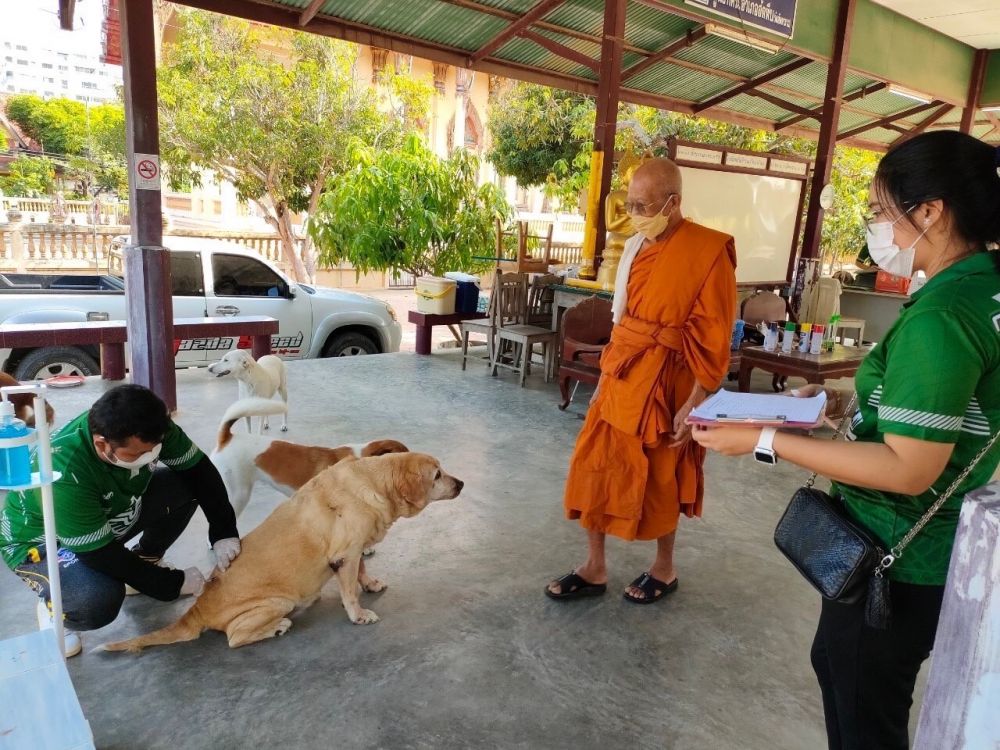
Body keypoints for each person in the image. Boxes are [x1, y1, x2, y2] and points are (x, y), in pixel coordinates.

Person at [692, 130, 1000, 749]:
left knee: (863, 711)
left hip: (897, 553)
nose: (876, 228)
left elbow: (908, 467)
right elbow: (947, 408)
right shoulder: (982, 287)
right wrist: (839, 405)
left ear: (930, 212)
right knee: (840, 669)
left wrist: (764, 438)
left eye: (883, 211)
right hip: (926, 549)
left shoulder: (941, 316)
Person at [547, 157, 737, 604]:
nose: (634, 214)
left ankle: (664, 568)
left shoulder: (708, 251)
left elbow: (715, 335)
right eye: (630, 204)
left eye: (643, 206)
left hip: (669, 381)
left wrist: (695, 401)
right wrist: (608, 372)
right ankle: (594, 566)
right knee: (593, 466)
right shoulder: (635, 247)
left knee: (663, 476)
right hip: (622, 372)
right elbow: (623, 317)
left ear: (673, 203)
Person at [0, 385, 242, 657]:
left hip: (107, 515)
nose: (150, 456)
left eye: (154, 449)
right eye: (137, 454)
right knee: (97, 599)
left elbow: (199, 471)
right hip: (43, 542)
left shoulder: (150, 427)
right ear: (101, 444)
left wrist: (223, 531)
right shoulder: (65, 472)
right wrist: (169, 584)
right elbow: (100, 554)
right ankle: (58, 604)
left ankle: (146, 558)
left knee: (185, 485)